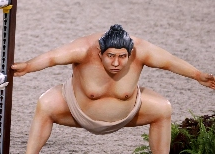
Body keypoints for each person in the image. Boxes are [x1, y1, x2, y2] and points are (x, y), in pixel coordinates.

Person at [11, 24, 215, 154]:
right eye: (111, 56)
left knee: (163, 108)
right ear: (100, 53)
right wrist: (28, 66)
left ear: (130, 53)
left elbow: (169, 62)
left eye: (122, 57)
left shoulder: (141, 50)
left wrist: (198, 75)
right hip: (76, 112)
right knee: (46, 103)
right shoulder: (83, 49)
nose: (117, 63)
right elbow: (52, 57)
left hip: (129, 114)